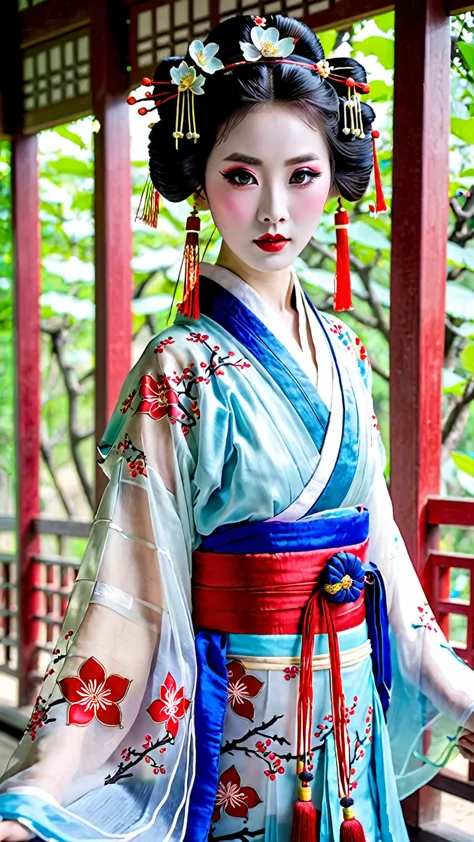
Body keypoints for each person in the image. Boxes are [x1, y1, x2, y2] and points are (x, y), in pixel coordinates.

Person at [1, 13, 474, 842]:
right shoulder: (178, 368)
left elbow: (382, 548)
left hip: (349, 699)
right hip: (240, 717)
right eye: (242, 176)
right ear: (202, 181)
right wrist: (49, 777)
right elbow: (131, 592)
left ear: (334, 180)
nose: (275, 210)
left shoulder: (344, 351)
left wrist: (443, 671)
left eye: (302, 175)